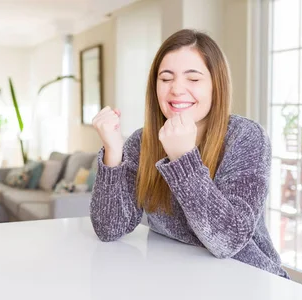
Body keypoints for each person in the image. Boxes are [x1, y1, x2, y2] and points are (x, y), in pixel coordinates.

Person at [89, 29, 289, 279]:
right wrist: (113, 151)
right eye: (166, 78)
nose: (176, 90)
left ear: (217, 85)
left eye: (193, 79)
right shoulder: (143, 141)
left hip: (250, 280)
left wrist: (183, 160)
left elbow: (229, 240)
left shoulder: (246, 136)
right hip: (179, 280)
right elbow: (110, 228)